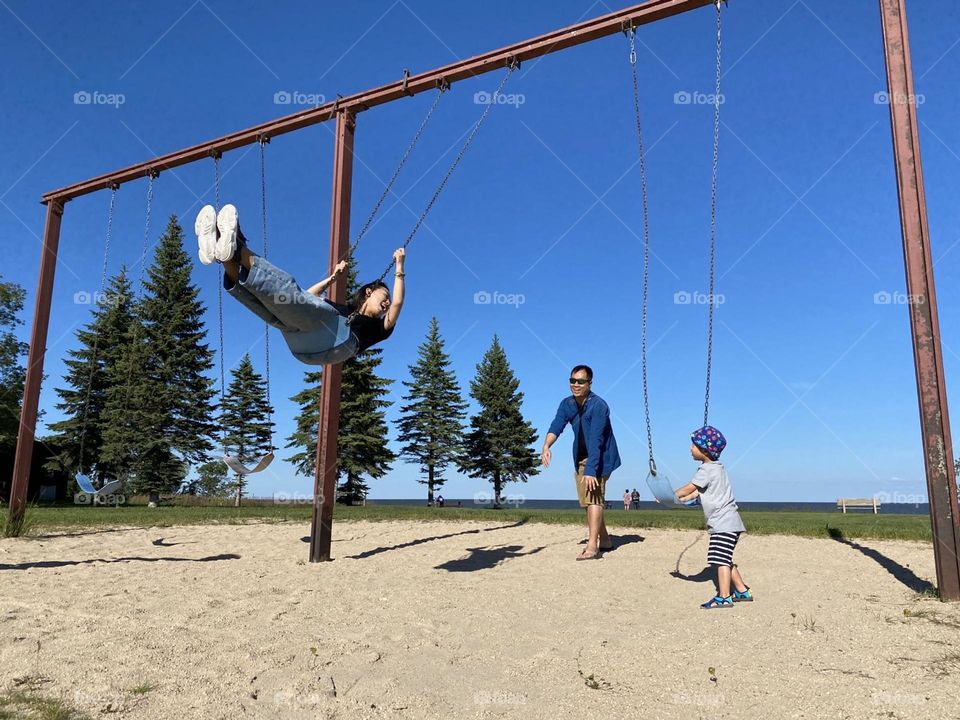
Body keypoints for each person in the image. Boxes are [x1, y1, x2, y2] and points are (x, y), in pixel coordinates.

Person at [195, 204, 405, 365]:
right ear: (369, 292)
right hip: (302, 345)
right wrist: (332, 279)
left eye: (387, 299)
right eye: (384, 297)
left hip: (334, 342)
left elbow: (397, 305)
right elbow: (309, 295)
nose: (387, 303)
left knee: (289, 293)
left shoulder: (380, 328)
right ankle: (223, 254)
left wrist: (399, 266)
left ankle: (239, 247)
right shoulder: (345, 310)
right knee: (269, 305)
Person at [541, 365, 621, 560]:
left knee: (593, 497)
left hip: (602, 457)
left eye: (580, 381)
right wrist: (546, 446)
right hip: (581, 458)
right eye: (573, 381)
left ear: (589, 383)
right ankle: (605, 540)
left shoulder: (599, 406)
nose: (576, 385)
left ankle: (592, 546)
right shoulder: (567, 404)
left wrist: (592, 470)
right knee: (589, 501)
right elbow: (557, 425)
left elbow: (597, 440)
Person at [675, 426, 753, 609]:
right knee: (724, 557)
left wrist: (671, 495)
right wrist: (680, 500)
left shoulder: (706, 470)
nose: (690, 449)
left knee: (720, 560)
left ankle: (724, 597)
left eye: (693, 446)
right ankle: (742, 591)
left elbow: (689, 488)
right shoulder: (718, 469)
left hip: (723, 524)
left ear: (704, 450)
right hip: (731, 523)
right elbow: (695, 494)